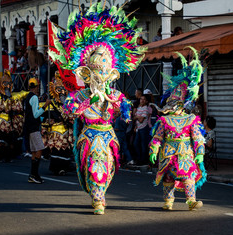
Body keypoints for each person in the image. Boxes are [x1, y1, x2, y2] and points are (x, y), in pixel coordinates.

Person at [48, 2, 145, 215]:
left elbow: (128, 113)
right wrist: (87, 102)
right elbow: (69, 111)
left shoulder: (114, 95)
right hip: (89, 137)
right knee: (93, 166)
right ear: (86, 73)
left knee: (108, 166)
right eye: (95, 73)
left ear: (111, 74)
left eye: (104, 73)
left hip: (108, 136)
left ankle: (100, 194)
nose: (100, 78)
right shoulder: (78, 95)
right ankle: (98, 198)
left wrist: (120, 109)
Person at [149, 47, 206, 211]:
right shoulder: (164, 120)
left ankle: (191, 201)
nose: (171, 106)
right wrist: (154, 149)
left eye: (174, 104)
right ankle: (168, 200)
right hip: (168, 151)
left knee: (188, 176)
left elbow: (198, 137)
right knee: (168, 177)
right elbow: (158, 137)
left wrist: (200, 153)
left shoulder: (191, 119)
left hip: (185, 152)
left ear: (182, 105)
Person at [24, 77, 51, 184]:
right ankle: (34, 174)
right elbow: (35, 114)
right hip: (33, 128)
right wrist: (45, 105)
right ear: (36, 87)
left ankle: (33, 175)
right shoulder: (34, 97)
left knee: (35, 151)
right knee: (39, 149)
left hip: (29, 127)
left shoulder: (28, 97)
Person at [133, 94, 151, 166]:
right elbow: (134, 118)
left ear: (146, 101)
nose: (142, 100)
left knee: (143, 145)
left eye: (144, 99)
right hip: (138, 128)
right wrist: (138, 117)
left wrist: (137, 116)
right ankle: (139, 158)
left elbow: (140, 120)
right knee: (136, 144)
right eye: (141, 99)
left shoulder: (146, 108)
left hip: (144, 128)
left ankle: (143, 160)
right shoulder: (139, 108)